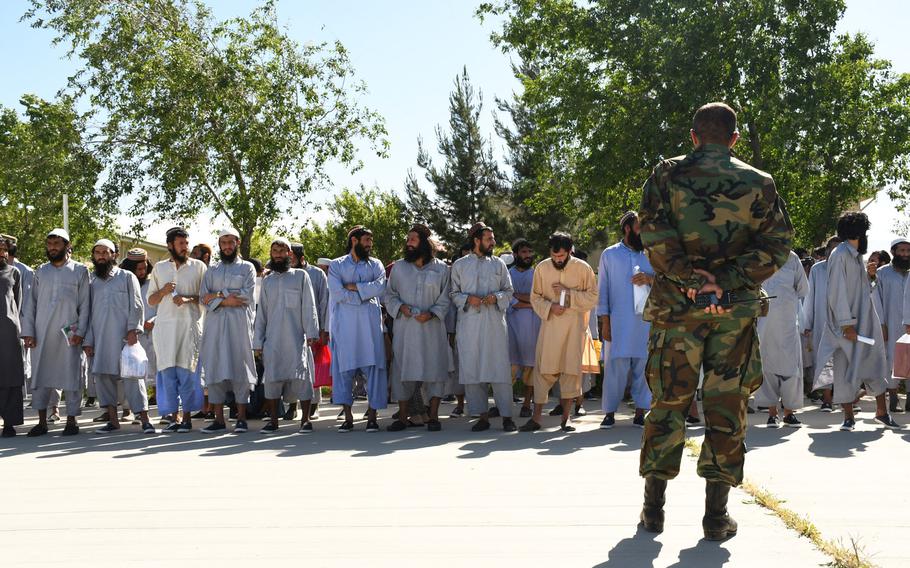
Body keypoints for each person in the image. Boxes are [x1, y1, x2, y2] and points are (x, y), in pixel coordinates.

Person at [637, 103, 792, 540]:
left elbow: (652, 231)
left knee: (668, 404)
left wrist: (689, 278)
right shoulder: (758, 183)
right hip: (732, 314)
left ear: (693, 136)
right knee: (726, 407)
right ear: (734, 139)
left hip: (676, 312)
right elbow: (776, 246)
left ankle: (653, 511)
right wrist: (722, 282)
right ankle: (716, 518)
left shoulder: (666, 175)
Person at [815, 212, 900, 431]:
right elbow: (836, 292)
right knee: (845, 368)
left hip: (865, 322)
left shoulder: (853, 255)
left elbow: (862, 290)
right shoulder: (840, 254)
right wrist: (846, 324)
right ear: (860, 232)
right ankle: (848, 417)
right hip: (847, 326)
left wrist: (869, 276)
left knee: (874, 363)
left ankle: (881, 412)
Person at [520, 232, 598, 432]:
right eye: (554, 257)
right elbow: (535, 297)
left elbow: (592, 297)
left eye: (561, 257)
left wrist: (568, 293)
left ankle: (566, 419)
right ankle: (536, 418)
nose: (557, 260)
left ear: (570, 251)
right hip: (550, 327)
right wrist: (550, 307)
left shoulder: (583, 268)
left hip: (574, 327)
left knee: (571, 371)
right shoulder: (542, 268)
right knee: (543, 369)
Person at [21, 229, 91, 436]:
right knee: (41, 375)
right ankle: (42, 422)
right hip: (42, 333)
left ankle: (71, 420)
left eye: (57, 244)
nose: (52, 248)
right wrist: (29, 332)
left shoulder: (79, 270)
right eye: (49, 244)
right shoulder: (40, 271)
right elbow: (30, 304)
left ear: (67, 246)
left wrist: (82, 331)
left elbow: (85, 304)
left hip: (69, 332)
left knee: (71, 375)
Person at [450, 223, 517, 432]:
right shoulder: (460, 265)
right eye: (489, 239)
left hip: (495, 324)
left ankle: (507, 416)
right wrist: (468, 298)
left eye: (493, 238)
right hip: (469, 326)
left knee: (499, 370)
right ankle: (482, 416)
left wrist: (495, 297)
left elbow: (509, 291)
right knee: (473, 370)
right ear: (476, 241)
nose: (493, 242)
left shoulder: (499, 264)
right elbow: (453, 294)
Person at [82, 239, 154, 434]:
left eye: (106, 252)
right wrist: (88, 340)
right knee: (104, 378)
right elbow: (86, 313)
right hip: (100, 338)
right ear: (94, 256)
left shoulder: (126, 277)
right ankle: (113, 420)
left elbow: (137, 305)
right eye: (98, 252)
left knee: (133, 377)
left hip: (125, 338)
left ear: (114, 255)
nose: (102, 256)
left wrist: (133, 330)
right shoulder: (91, 281)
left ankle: (145, 420)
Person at [384, 224, 451, 432]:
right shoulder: (399, 268)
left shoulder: (441, 268)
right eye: (408, 239)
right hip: (406, 329)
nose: (409, 243)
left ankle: (433, 417)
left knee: (435, 369)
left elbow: (446, 297)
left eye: (413, 239)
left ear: (424, 242)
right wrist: (401, 307)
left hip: (432, 329)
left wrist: (431, 313)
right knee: (403, 370)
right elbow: (389, 295)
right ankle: (403, 418)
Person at [254, 238, 320, 433]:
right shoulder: (267, 281)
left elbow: (309, 305)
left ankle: (305, 420)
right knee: (272, 379)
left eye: (282, 251)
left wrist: (312, 332)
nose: (278, 254)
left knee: (303, 377)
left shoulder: (300, 276)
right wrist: (258, 342)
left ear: (289, 254)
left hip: (297, 337)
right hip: (273, 338)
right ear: (271, 254)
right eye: (275, 250)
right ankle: (273, 421)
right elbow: (262, 313)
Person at [328, 226, 388, 432]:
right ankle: (348, 418)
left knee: (374, 370)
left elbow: (380, 287)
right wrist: (364, 293)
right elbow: (337, 293)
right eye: (366, 240)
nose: (370, 244)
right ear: (354, 240)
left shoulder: (376, 264)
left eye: (371, 240)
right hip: (344, 326)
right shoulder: (337, 265)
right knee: (344, 371)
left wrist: (354, 287)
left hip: (370, 326)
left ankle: (372, 417)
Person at [597, 211, 654, 430]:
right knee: (614, 369)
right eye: (640, 227)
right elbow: (602, 291)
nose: (644, 231)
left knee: (644, 366)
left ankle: (641, 412)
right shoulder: (609, 255)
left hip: (645, 322)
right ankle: (610, 413)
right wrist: (605, 323)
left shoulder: (651, 253)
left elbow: (666, 283)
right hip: (617, 323)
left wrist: (649, 279)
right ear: (628, 228)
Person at [198, 229, 257, 434]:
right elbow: (202, 298)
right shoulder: (211, 270)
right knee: (214, 369)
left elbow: (246, 296)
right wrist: (225, 298)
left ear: (237, 242)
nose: (227, 246)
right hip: (214, 328)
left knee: (240, 369)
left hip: (239, 327)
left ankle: (241, 418)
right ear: (219, 244)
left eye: (230, 242)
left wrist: (216, 298)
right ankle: (219, 420)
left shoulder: (247, 268)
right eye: (223, 243)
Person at [148, 227, 206, 433]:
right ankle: (173, 417)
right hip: (164, 330)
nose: (185, 247)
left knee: (188, 372)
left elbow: (205, 298)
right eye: (181, 244)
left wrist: (188, 298)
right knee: (167, 374)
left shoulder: (198, 267)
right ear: (170, 245)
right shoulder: (160, 268)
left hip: (190, 328)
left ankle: (188, 417)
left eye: (186, 243)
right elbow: (151, 300)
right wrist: (163, 291)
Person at [755, 251, 809, 427]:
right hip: (764, 322)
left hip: (787, 322)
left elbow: (803, 288)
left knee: (791, 366)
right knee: (767, 365)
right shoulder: (757, 255)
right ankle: (772, 413)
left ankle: (789, 413)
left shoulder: (792, 258)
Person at [288, 242, 331, 421]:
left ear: (302, 258)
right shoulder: (283, 273)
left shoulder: (317, 274)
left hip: (312, 328)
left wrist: (322, 329)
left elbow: (324, 301)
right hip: (290, 328)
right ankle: (291, 405)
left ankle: (313, 406)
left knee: (312, 368)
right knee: (291, 368)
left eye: (292, 258)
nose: (289, 261)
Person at [804, 236, 842, 411]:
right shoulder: (817, 270)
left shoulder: (849, 269)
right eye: (832, 249)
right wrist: (808, 322)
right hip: (822, 321)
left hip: (844, 322)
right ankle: (827, 399)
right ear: (827, 250)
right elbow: (810, 297)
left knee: (843, 360)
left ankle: (844, 398)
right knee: (825, 359)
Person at [873, 238, 910, 413]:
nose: (905, 254)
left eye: (907, 251)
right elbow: (876, 301)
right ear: (894, 252)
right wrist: (881, 324)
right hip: (891, 324)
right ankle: (893, 397)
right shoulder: (882, 273)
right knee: (892, 360)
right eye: (901, 251)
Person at [121, 249, 158, 411]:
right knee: (131, 371)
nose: (142, 272)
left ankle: (157, 401)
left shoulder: (153, 284)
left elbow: (162, 309)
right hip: (131, 335)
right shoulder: (123, 284)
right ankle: (128, 408)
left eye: (144, 268)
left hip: (153, 334)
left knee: (156, 369)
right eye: (138, 269)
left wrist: (153, 321)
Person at [506, 238, 540, 418]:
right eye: (523, 252)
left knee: (531, 367)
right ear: (515, 254)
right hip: (511, 325)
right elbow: (508, 299)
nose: (527, 256)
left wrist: (521, 299)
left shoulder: (537, 274)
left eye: (529, 252)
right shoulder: (507, 274)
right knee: (509, 366)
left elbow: (539, 299)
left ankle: (527, 404)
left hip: (533, 327)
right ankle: (504, 404)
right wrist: (529, 301)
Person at [0, 235, 24, 437]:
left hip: (8, 332)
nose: (2, 253)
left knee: (10, 376)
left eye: (4, 249)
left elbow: (17, 302)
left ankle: (10, 423)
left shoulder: (14, 272)